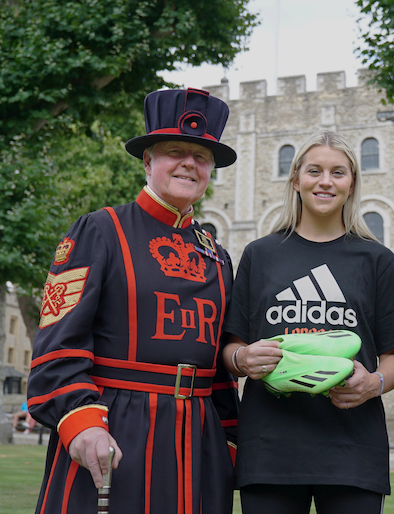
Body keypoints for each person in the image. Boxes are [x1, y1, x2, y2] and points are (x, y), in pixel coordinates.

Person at [27, 88, 240, 514]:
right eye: (174, 151)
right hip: (114, 428)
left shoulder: (218, 255)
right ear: (148, 161)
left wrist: (228, 439)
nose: (189, 163)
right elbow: (57, 347)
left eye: (201, 157)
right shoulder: (99, 230)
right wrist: (83, 422)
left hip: (198, 441)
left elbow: (218, 367)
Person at [222, 130, 394, 514]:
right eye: (314, 171)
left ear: (351, 183)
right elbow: (230, 347)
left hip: (352, 448)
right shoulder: (260, 255)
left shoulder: (378, 260)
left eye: (338, 172)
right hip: (270, 449)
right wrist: (243, 359)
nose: (326, 181)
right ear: (296, 180)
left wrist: (373, 384)